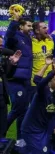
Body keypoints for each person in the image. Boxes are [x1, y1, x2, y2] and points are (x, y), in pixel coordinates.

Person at [14, 62, 55, 154]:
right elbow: (39, 81)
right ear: (49, 82)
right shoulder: (42, 91)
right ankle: (17, 148)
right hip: (31, 130)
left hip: (44, 129)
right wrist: (52, 71)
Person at [5, 9, 33, 140]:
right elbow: (8, 37)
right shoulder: (15, 36)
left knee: (24, 110)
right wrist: (14, 21)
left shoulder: (28, 38)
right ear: (21, 26)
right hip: (15, 78)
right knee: (17, 109)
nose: (31, 27)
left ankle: (21, 139)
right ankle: (1, 133)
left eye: (32, 26)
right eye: (28, 25)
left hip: (25, 78)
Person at [0, 49, 22, 139]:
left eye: (1, 45)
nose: (1, 47)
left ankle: (1, 147)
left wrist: (12, 64)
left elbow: (8, 75)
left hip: (2, 95)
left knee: (2, 124)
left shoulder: (2, 59)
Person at [31, 22, 54, 98]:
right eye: (44, 28)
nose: (47, 29)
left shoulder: (50, 42)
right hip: (36, 81)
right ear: (37, 31)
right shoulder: (30, 43)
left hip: (50, 80)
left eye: (47, 27)